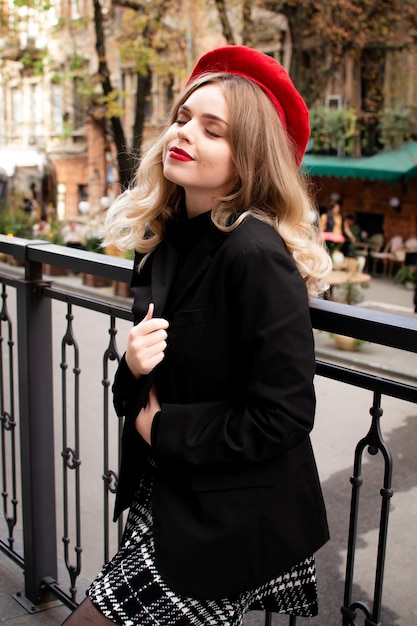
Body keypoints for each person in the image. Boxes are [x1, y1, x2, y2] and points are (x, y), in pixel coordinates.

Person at [63, 45, 331, 626]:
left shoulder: (255, 253)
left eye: (215, 130)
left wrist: (162, 427)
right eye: (184, 118)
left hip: (226, 519)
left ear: (249, 158)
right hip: (170, 500)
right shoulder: (167, 241)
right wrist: (132, 368)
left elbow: (284, 415)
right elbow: (143, 386)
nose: (184, 134)